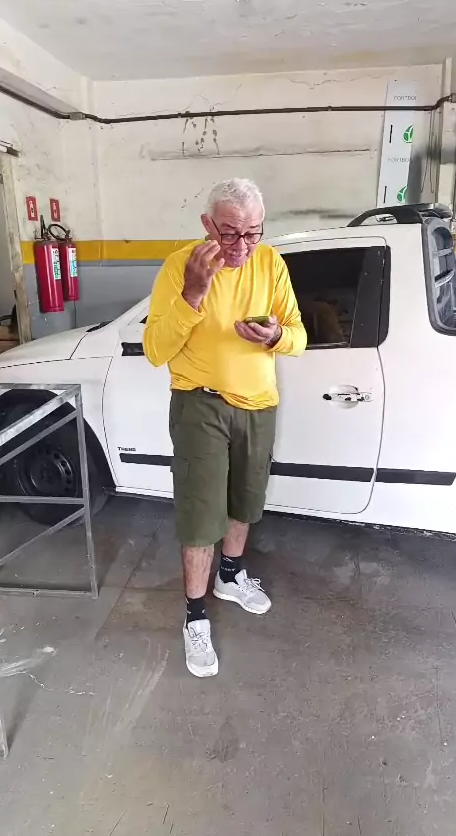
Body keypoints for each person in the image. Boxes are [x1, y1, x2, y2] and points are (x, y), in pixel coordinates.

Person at [143, 178, 307, 677]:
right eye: (230, 233)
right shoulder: (180, 268)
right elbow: (155, 351)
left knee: (245, 501)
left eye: (253, 233)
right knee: (200, 515)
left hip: (258, 405)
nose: (242, 245)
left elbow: (298, 335)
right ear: (207, 225)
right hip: (200, 404)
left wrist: (275, 336)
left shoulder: (270, 263)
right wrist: (193, 294)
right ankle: (195, 615)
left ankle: (229, 576)